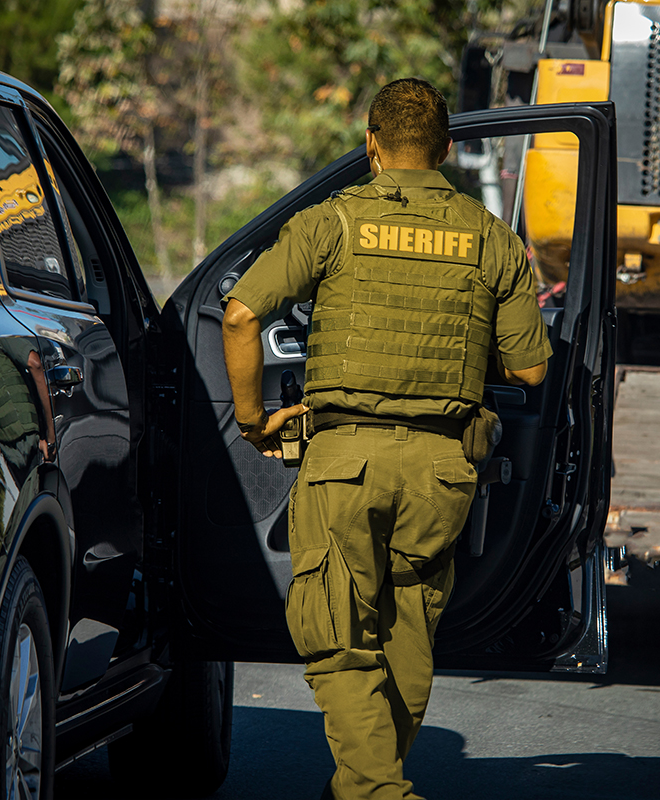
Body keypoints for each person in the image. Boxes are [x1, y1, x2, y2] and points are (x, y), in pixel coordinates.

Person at [221, 77, 552, 800]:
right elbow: (530, 366)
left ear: (371, 145)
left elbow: (242, 315)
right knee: (408, 632)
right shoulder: (491, 237)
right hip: (442, 467)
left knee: (338, 636)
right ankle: (363, 783)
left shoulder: (332, 224)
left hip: (344, 458)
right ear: (448, 151)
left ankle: (376, 792)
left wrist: (251, 421)